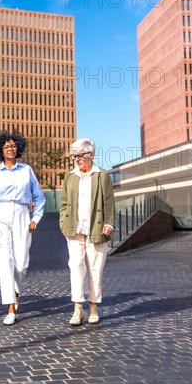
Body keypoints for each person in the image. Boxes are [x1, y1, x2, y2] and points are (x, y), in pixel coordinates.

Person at [0, 132, 45, 326]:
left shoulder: (26, 170)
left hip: (21, 213)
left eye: (14, 146)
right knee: (4, 261)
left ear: (19, 148)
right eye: (7, 146)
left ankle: (15, 293)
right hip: (0, 214)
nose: (11, 149)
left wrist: (36, 217)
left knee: (21, 263)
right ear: (0, 150)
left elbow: (40, 198)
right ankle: (10, 308)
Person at [59, 138, 114, 326]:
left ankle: (93, 307)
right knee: (76, 266)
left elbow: (109, 202)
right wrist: (63, 221)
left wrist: (109, 223)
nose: (77, 159)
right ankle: (77, 308)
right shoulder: (70, 176)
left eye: (80, 155)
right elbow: (65, 202)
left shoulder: (102, 175)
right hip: (74, 229)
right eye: (74, 155)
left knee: (95, 269)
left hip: (96, 228)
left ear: (91, 154)